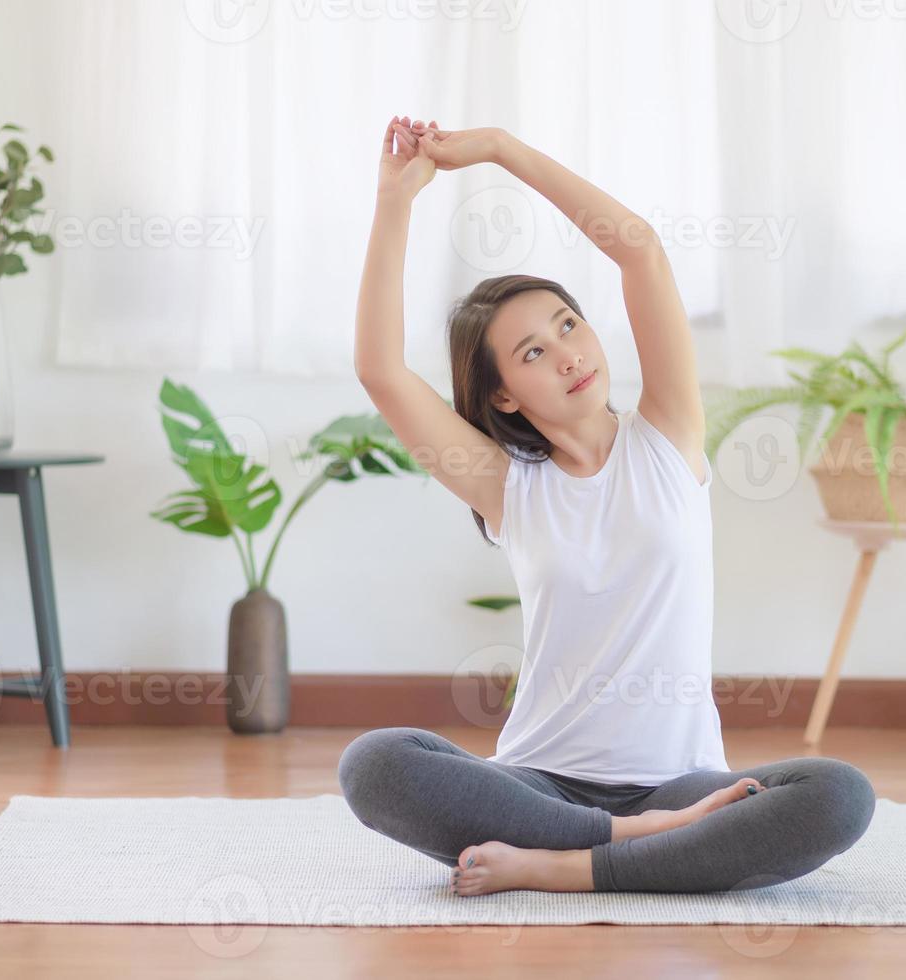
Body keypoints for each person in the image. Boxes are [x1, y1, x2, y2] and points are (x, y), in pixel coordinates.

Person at [342, 114, 876, 896]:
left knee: (839, 797)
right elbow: (380, 369)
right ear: (502, 395)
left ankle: (561, 868)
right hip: (539, 787)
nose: (568, 354)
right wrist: (396, 199)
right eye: (533, 352)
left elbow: (638, 249)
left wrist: (499, 149)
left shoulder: (666, 436)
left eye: (568, 325)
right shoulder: (507, 486)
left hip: (680, 786)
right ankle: (628, 847)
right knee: (375, 765)